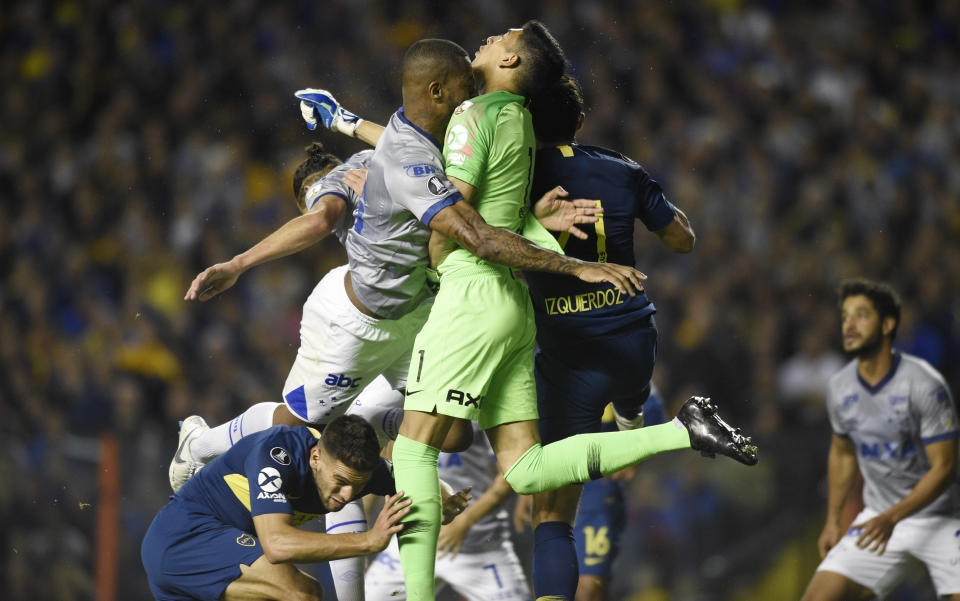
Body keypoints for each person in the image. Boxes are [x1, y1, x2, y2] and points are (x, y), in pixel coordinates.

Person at [315, 22, 757, 601]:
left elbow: (459, 217)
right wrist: (536, 229)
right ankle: (681, 431)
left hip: (470, 299)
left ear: (513, 58)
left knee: (418, 448)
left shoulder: (473, 118)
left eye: (502, 36)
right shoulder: (517, 120)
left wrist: (561, 264)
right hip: (514, 309)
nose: (491, 37)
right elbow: (429, 165)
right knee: (524, 468)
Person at [517, 73, 701, 601]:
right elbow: (682, 239)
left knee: (551, 512)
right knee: (630, 391)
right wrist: (647, 199)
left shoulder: (519, 178)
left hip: (569, 356)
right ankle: (631, 417)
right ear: (579, 121)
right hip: (632, 339)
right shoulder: (623, 169)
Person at [141, 415, 470, 601]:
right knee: (302, 594)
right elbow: (277, 544)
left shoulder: (357, 472)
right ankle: (198, 442)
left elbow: (416, 482)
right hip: (184, 539)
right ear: (315, 458)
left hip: (218, 557)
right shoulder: (277, 452)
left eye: (358, 485)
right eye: (340, 481)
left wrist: (442, 500)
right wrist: (369, 540)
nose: (346, 495)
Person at [800, 278, 959, 601]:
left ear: (887, 325)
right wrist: (833, 519)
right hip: (880, 519)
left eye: (861, 315)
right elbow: (843, 454)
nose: (850, 325)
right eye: (845, 316)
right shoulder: (842, 387)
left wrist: (892, 517)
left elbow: (944, 468)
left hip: (937, 518)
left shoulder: (925, 384)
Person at [514, 389, 667, 601]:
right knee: (549, 585)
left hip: (596, 495)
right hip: (553, 484)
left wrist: (634, 454)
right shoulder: (545, 361)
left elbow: (651, 406)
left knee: (588, 589)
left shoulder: (617, 363)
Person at [365, 424, 531, 601]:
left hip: (478, 549)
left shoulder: (478, 411)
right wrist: (364, 532)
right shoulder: (405, 408)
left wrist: (466, 520)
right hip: (409, 540)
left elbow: (511, 471)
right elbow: (384, 469)